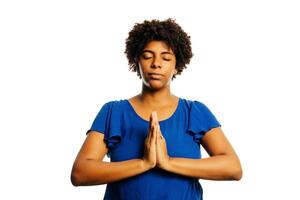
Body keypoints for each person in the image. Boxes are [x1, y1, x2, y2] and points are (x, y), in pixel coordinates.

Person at [71, 18, 242, 200]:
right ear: (136, 60)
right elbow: (80, 173)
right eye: (147, 56)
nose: (156, 63)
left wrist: (167, 162)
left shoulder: (194, 112)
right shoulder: (114, 112)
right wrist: (144, 163)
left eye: (166, 58)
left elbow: (233, 168)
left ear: (177, 65)